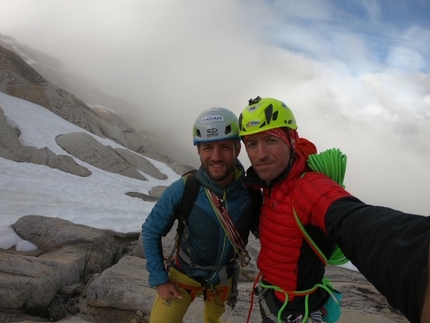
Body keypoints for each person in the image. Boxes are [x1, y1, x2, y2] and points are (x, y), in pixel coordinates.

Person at [238, 96, 430, 323]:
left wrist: (419, 264)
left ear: (291, 140)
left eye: (271, 140)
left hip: (296, 310)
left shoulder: (307, 187)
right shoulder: (268, 184)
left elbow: (353, 220)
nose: (260, 154)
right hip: (271, 296)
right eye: (252, 143)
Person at [142, 107, 260, 323]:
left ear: (237, 148)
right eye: (208, 148)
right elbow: (151, 230)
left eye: (224, 147)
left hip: (223, 278)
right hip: (184, 274)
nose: (216, 156)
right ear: (198, 151)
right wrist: (159, 279)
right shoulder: (185, 188)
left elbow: (269, 233)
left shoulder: (250, 193)